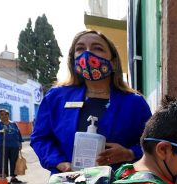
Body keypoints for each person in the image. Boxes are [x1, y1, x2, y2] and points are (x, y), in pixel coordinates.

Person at [31, 30, 151, 174]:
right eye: (80, 49)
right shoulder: (56, 97)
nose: (87, 54)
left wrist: (129, 153)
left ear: (113, 62)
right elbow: (40, 138)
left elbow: (151, 141)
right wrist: (59, 162)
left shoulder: (134, 103)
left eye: (97, 48)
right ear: (73, 60)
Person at [0, 108, 23, 183]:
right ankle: (3, 178)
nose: (4, 116)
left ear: (8, 115)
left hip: (14, 146)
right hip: (1, 147)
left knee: (14, 161)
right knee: (2, 162)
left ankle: (13, 177)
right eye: (2, 114)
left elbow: (18, 133)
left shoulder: (13, 123)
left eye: (6, 114)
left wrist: (20, 143)